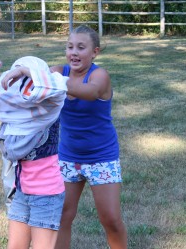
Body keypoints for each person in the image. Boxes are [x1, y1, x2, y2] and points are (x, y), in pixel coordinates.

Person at [0, 56, 68, 249]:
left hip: (46, 193)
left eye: (26, 77)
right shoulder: (13, 113)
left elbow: (57, 85)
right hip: (21, 190)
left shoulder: (51, 103)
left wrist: (22, 70)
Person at [50, 25, 128, 249]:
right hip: (68, 156)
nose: (73, 52)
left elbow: (90, 92)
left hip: (101, 157)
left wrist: (53, 81)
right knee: (62, 216)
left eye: (81, 47)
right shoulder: (59, 71)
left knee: (111, 219)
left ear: (95, 52)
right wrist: (21, 72)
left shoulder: (99, 75)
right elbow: (36, 73)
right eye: (70, 46)